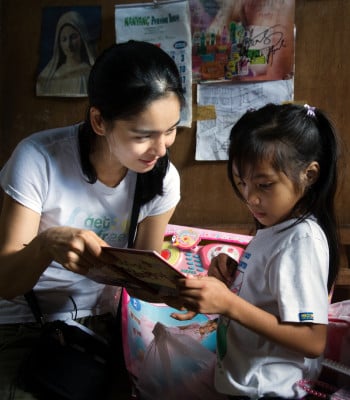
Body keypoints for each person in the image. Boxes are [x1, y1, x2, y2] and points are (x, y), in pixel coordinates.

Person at [0, 40, 185, 399]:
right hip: (23, 325)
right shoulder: (38, 159)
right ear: (99, 121)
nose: (161, 149)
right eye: (144, 135)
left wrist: (185, 291)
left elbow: (142, 280)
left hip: (104, 325)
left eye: (171, 130)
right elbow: (6, 282)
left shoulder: (162, 178)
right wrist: (46, 245)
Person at [171, 103, 340, 398]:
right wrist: (234, 276)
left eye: (264, 185)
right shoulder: (276, 226)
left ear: (309, 175)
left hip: (270, 391)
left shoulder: (302, 239)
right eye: (242, 183)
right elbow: (270, 295)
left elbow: (313, 340)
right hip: (247, 382)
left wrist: (228, 304)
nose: (250, 198)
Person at [36, 10, 96, 97]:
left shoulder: (90, 73)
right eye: (64, 39)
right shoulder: (54, 76)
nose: (69, 45)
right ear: (59, 43)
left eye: (73, 37)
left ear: (82, 37)